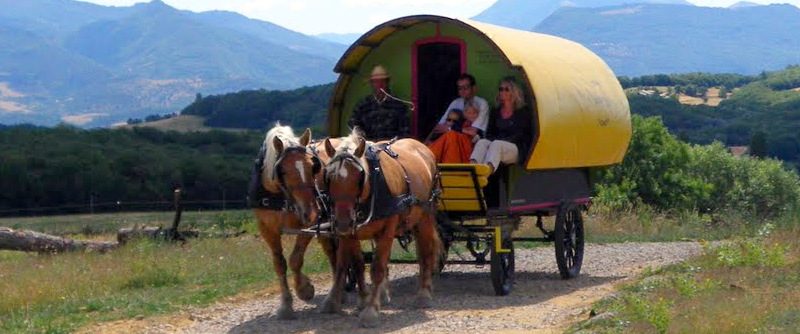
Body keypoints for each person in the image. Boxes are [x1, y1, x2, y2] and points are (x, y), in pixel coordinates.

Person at [469, 77, 532, 173]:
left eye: (506, 89)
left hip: (515, 148)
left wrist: (499, 140)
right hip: (497, 145)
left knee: (496, 144)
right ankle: (471, 170)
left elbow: (521, 135)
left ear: (514, 92)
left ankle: (485, 173)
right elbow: (490, 132)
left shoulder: (522, 111)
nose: (502, 92)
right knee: (482, 142)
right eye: (501, 89)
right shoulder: (496, 111)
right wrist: (492, 140)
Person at [426, 73, 490, 163]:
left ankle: (425, 157)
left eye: (466, 87)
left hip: (473, 145)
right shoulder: (456, 103)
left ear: (474, 88)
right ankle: (425, 153)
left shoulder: (481, 103)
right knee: (446, 138)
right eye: (460, 88)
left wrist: (449, 128)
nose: (462, 91)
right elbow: (439, 127)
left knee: (451, 135)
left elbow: (473, 132)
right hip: (454, 142)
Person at [348, 65, 410, 141]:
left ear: (387, 83)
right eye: (376, 82)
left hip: (391, 148)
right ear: (372, 84)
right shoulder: (363, 105)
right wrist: (360, 136)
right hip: (368, 148)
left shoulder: (398, 106)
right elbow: (353, 123)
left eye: (382, 81)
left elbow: (404, 132)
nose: (380, 85)